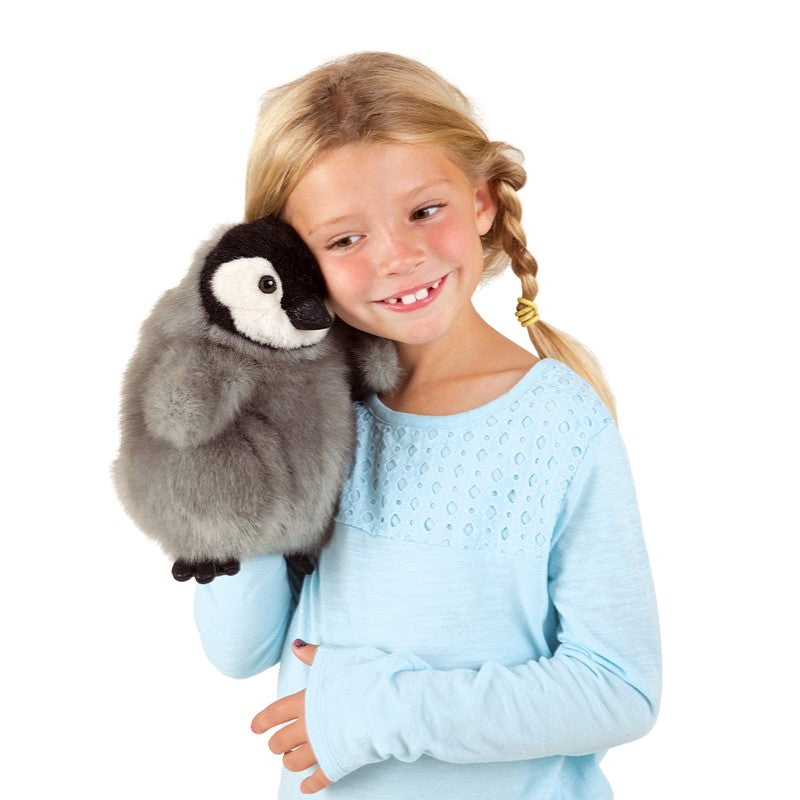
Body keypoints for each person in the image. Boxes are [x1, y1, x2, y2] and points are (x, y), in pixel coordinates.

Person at [193, 52, 661, 799]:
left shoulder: (559, 426)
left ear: (481, 202)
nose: (399, 257)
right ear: (292, 261)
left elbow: (619, 688)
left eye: (424, 211)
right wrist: (239, 449)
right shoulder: (315, 418)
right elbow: (238, 647)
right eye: (345, 239)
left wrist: (386, 711)